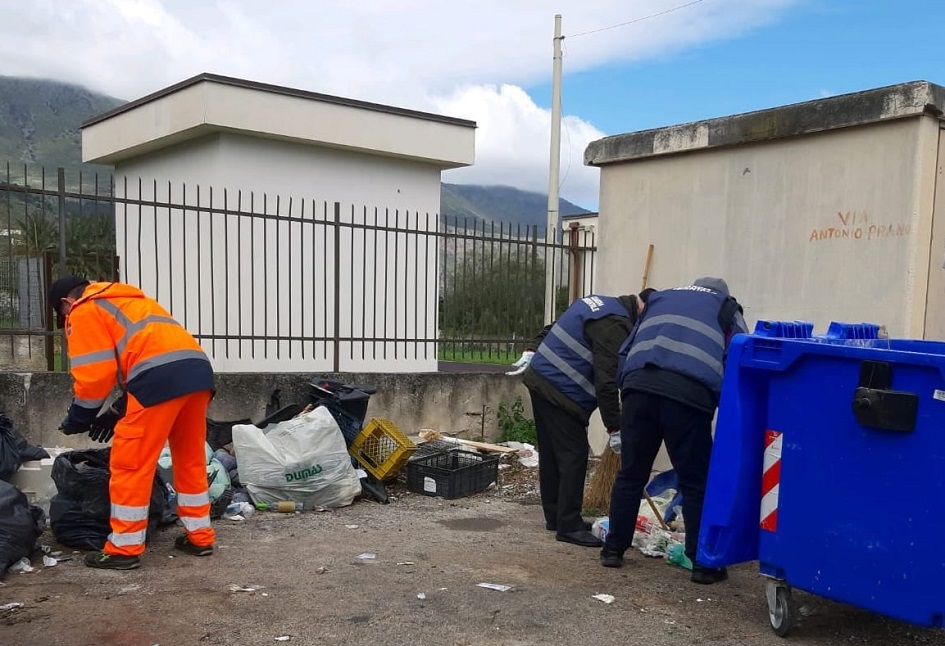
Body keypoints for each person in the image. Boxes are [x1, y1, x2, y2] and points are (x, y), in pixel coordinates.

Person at [49, 275, 216, 570]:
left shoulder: (84, 309)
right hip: (199, 375)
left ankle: (123, 549)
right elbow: (156, 356)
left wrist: (79, 416)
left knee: (130, 463)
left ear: (66, 303)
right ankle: (200, 537)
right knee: (190, 458)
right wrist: (117, 410)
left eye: (62, 315)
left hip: (158, 379)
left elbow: (95, 375)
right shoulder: (133, 302)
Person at [599, 277, 747, 583]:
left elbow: (626, 350)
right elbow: (737, 360)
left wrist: (628, 388)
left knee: (631, 473)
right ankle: (703, 565)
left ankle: (612, 549)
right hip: (687, 395)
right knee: (695, 482)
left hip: (639, 387)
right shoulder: (727, 307)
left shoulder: (659, 298)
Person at [511, 289, 654, 547]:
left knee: (553, 455)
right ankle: (569, 526)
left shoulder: (599, 304)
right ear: (642, 310)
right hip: (560, 391)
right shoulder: (616, 325)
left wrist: (533, 347)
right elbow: (607, 382)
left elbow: (552, 327)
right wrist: (615, 427)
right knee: (573, 457)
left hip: (540, 380)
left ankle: (555, 516)